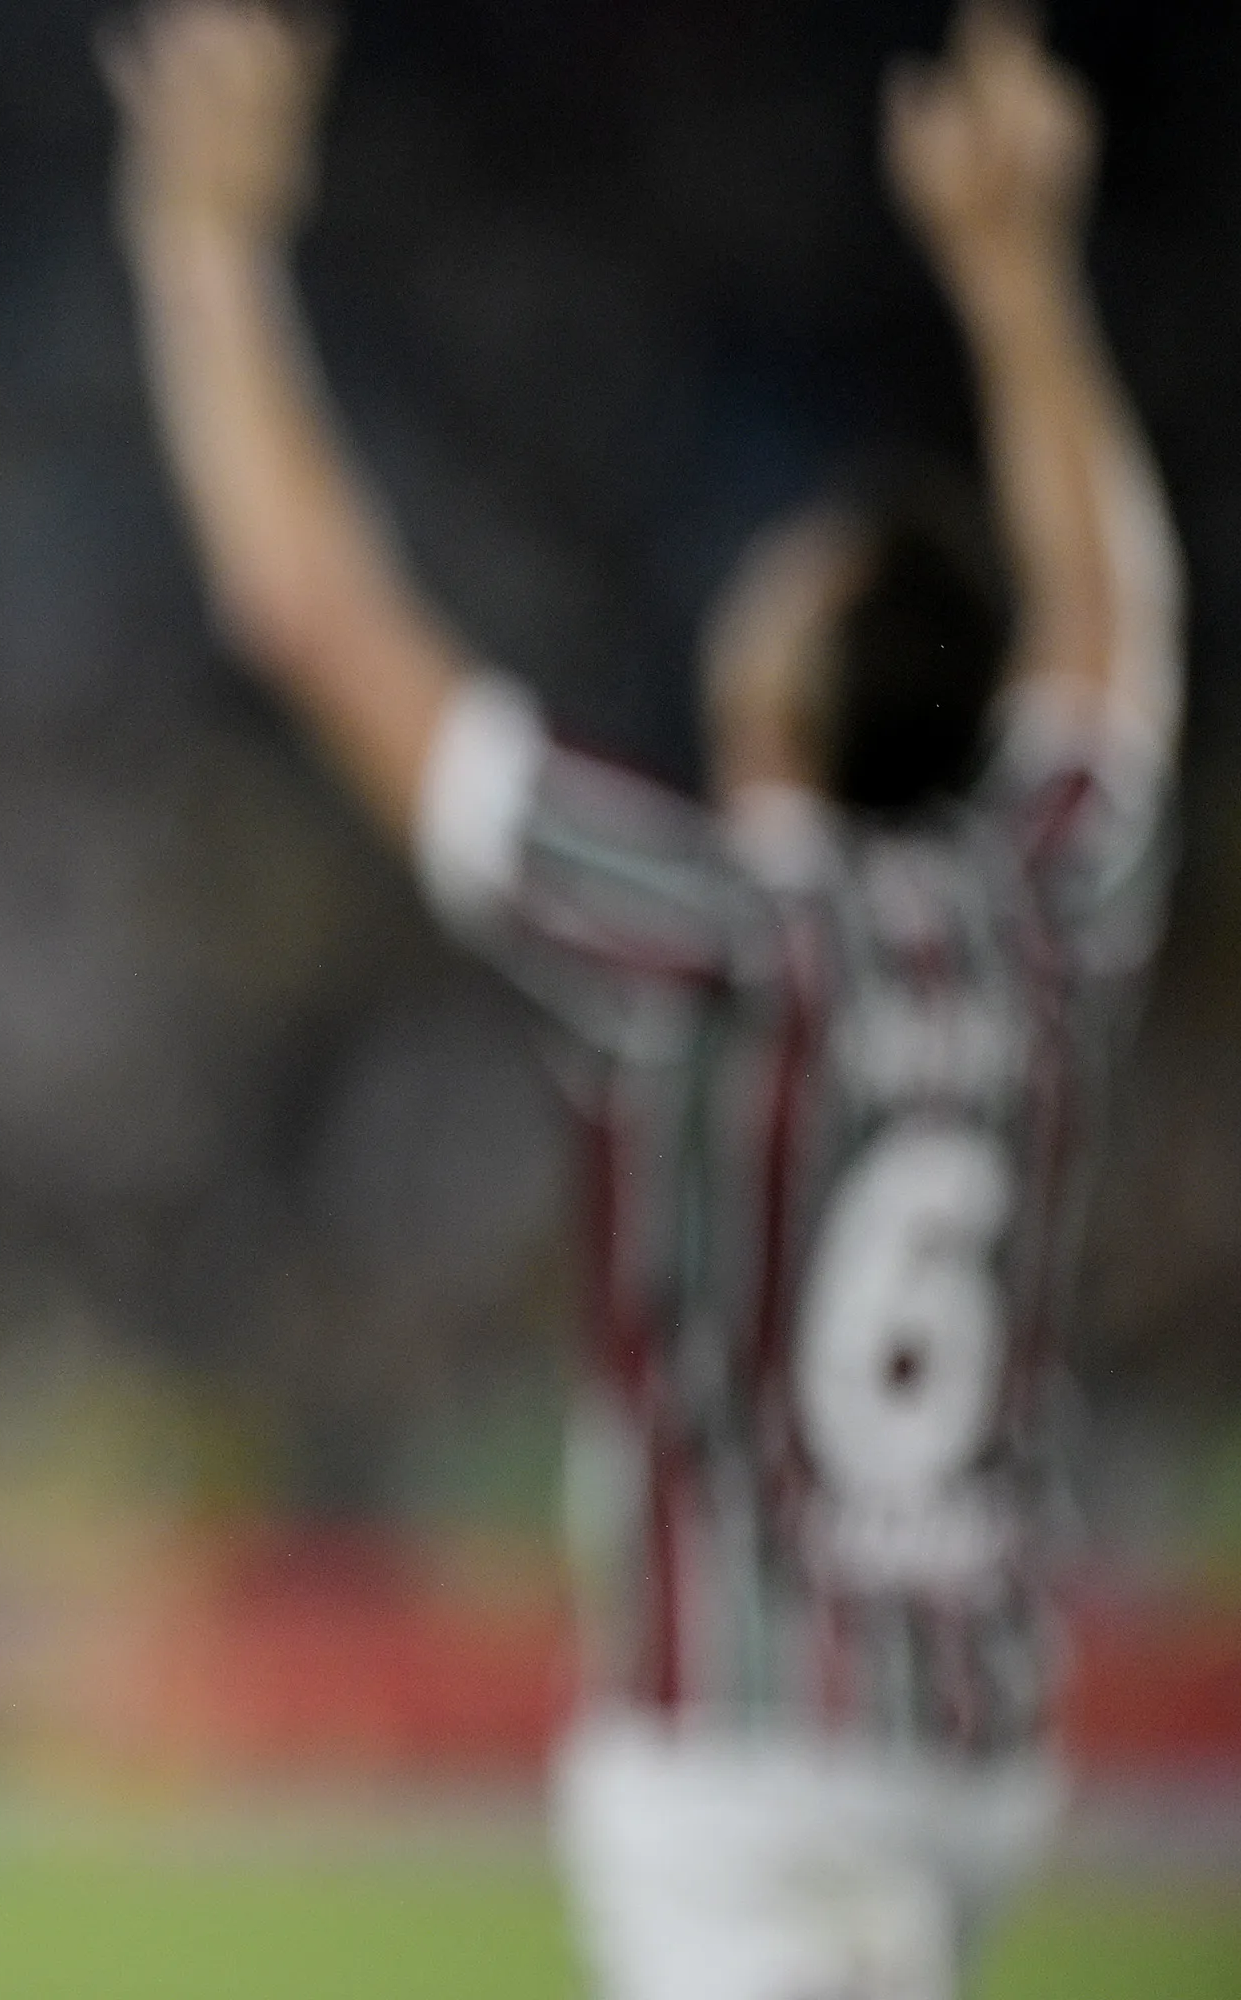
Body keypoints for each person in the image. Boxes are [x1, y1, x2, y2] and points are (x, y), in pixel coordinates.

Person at [103, 4, 1175, 1995]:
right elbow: (1119, 632)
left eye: (786, 584)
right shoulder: (1045, 912)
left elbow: (313, 609)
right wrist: (1025, 281)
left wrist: (204, 232)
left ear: (803, 688)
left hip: (735, 1737)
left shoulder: (685, 925)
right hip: (972, 1731)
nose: (744, 593)